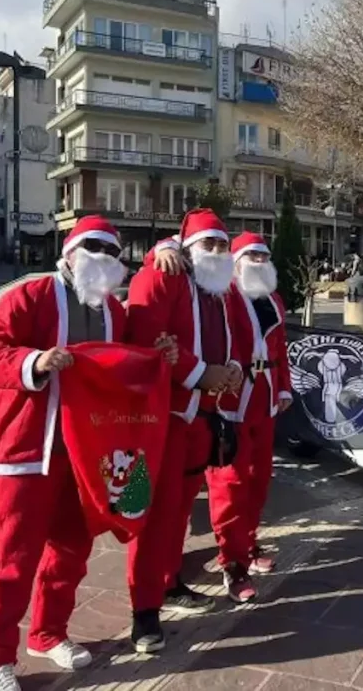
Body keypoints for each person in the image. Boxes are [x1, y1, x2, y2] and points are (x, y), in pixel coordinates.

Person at [0, 217, 130, 691]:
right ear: (69, 251)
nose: (102, 255)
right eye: (92, 245)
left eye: (112, 250)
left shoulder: (114, 312)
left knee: (71, 550)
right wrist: (33, 362)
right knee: (13, 557)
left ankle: (48, 633)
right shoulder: (31, 296)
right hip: (27, 446)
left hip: (85, 452)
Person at [124, 209, 244, 652]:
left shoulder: (218, 289)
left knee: (179, 512)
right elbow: (145, 340)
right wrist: (201, 374)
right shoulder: (163, 274)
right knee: (153, 515)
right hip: (165, 418)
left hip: (202, 417)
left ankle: (169, 582)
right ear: (188, 248)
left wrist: (231, 369)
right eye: (207, 243)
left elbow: (228, 340)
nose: (216, 251)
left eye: (222, 244)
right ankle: (144, 613)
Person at [153, 231, 293, 603]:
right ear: (236, 260)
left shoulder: (273, 298)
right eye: (252, 256)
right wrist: (164, 247)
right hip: (230, 400)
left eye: (264, 256)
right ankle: (232, 562)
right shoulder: (223, 292)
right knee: (229, 485)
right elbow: (189, 248)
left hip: (265, 401)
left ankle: (247, 544)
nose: (259, 262)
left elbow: (279, 348)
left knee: (258, 480)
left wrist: (284, 388)